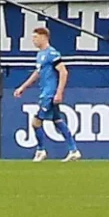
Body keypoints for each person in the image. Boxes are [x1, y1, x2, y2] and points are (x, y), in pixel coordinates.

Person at [14, 27, 82, 162]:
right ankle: (73, 150)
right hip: (45, 92)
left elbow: (63, 72)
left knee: (35, 122)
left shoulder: (52, 53)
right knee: (58, 121)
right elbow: (37, 73)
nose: (33, 40)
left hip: (49, 94)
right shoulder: (40, 55)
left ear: (44, 37)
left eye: (35, 37)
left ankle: (41, 150)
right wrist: (23, 87)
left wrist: (59, 92)